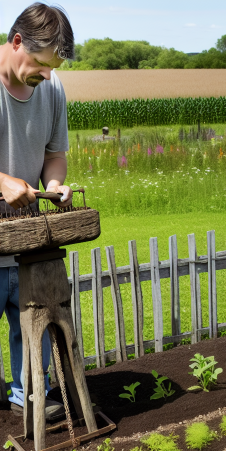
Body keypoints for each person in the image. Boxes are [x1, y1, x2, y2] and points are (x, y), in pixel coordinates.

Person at [0, 3, 75, 420]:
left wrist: (53, 185)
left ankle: (27, 395)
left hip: (27, 239)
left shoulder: (52, 86)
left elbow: (54, 153)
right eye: (42, 65)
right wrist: (3, 181)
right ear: (16, 42)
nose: (48, 76)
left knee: (31, 327)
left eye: (53, 67)